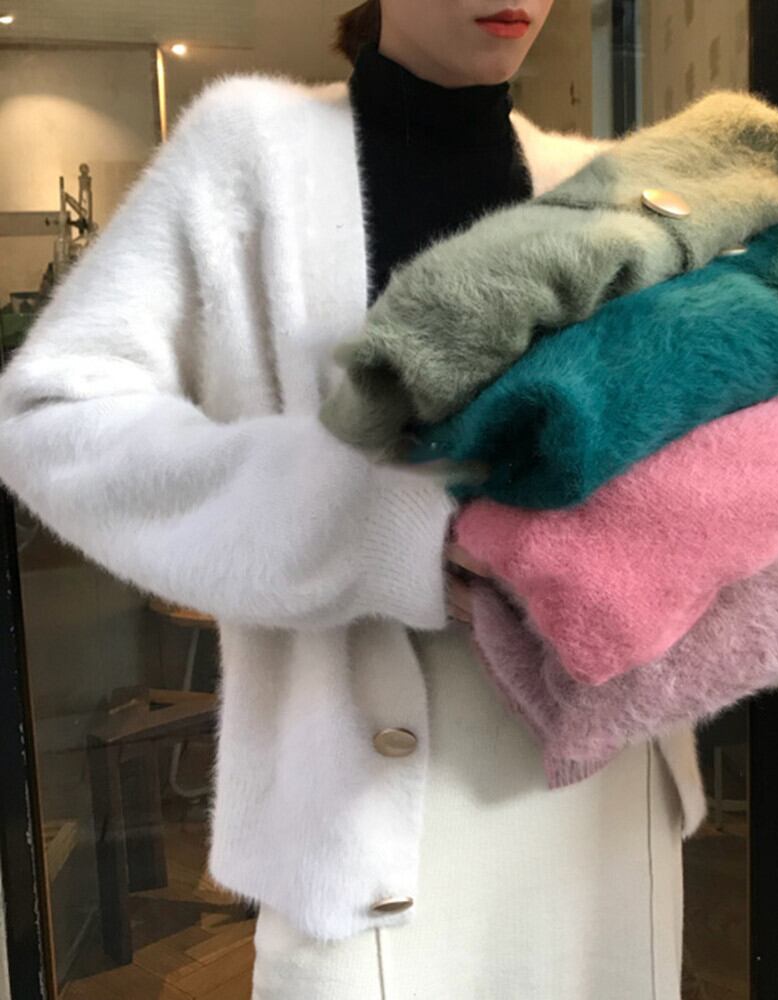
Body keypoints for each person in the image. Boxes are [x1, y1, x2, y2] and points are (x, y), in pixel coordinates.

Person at [0, 1, 705, 996]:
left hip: (602, 804)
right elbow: (49, 417)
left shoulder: (605, 184)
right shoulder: (251, 153)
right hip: (366, 826)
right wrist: (387, 532)